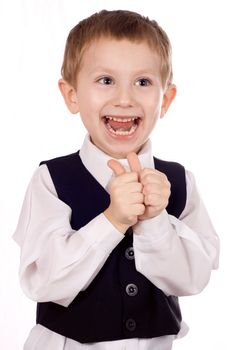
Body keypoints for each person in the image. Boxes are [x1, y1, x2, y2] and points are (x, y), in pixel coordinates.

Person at [13, 9, 219, 350]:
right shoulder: (51, 180)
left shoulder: (181, 183)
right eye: (106, 80)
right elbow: (43, 280)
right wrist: (112, 220)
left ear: (165, 100)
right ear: (72, 95)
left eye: (143, 82)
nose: (124, 99)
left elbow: (192, 278)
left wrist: (155, 221)